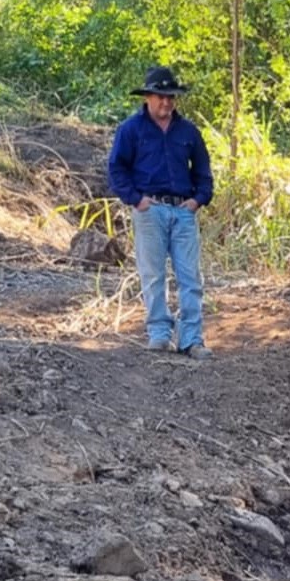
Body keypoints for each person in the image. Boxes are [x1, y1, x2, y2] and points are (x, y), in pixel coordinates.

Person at [107, 65, 214, 360]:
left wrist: (197, 201)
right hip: (149, 209)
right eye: (160, 96)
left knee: (190, 276)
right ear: (148, 98)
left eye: (170, 97)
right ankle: (159, 333)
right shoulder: (131, 129)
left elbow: (204, 172)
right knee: (153, 275)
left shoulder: (189, 132)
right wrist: (135, 199)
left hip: (182, 210)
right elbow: (117, 167)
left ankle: (192, 339)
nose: (165, 102)